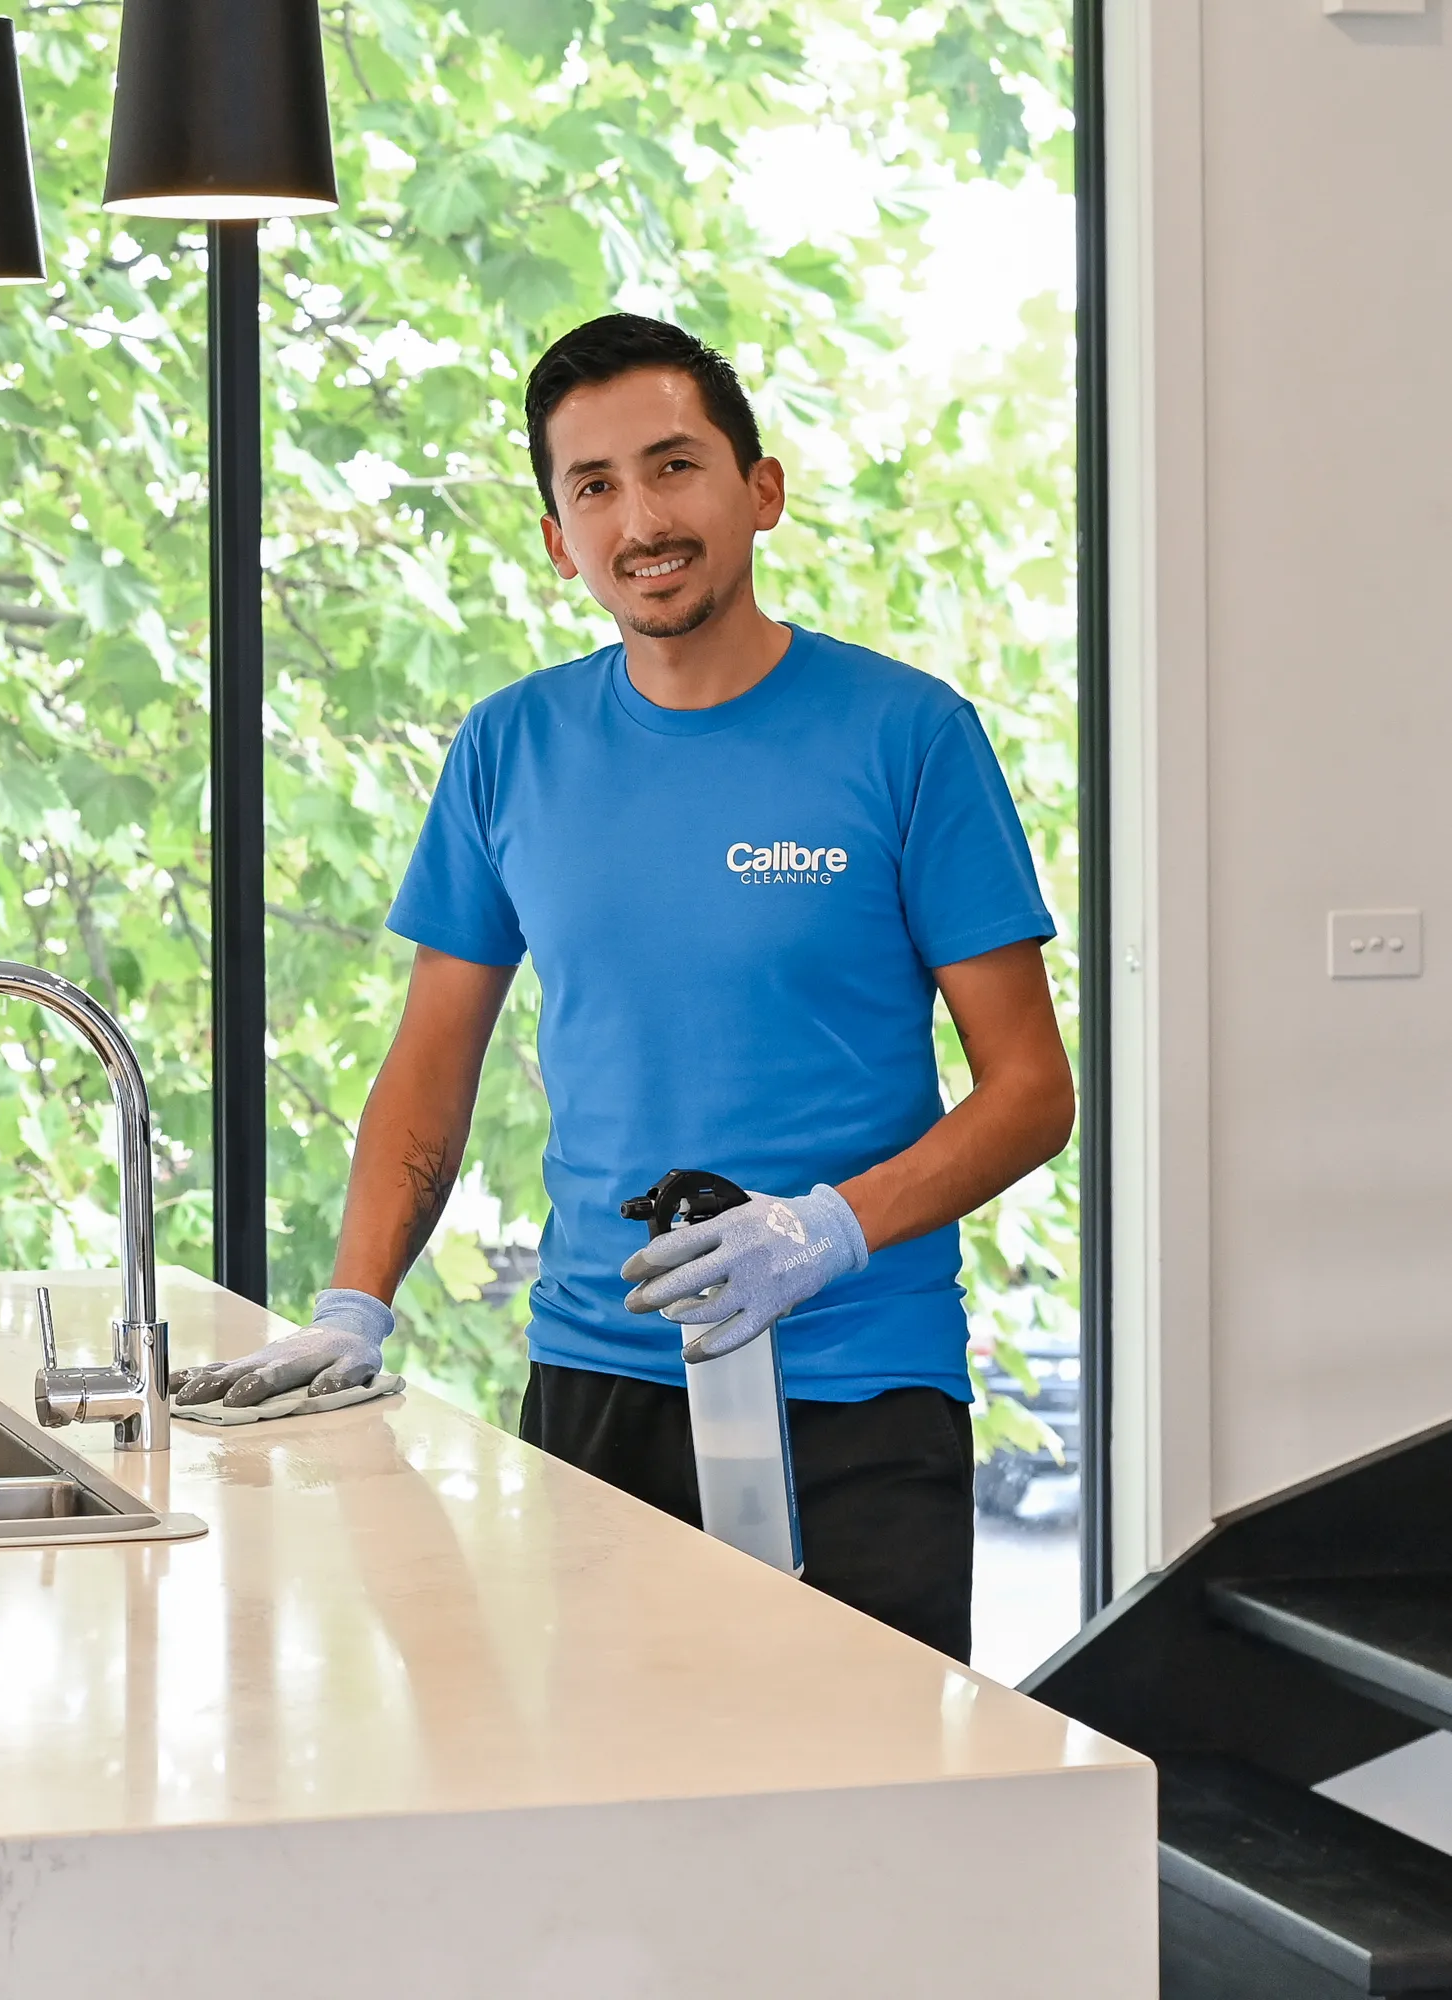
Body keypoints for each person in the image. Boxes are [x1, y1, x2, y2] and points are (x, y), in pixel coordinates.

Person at [172, 314, 1072, 1660]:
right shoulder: (509, 750)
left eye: (672, 466)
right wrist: (354, 1302)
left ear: (759, 489)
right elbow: (432, 1059)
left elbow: (1032, 1091)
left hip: (857, 1392)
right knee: (613, 1821)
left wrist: (824, 1230)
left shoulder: (908, 737)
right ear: (556, 537)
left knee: (861, 1831)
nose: (639, 517)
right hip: (601, 1387)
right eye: (592, 486)